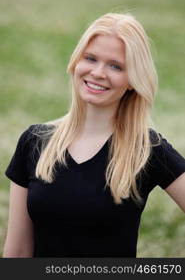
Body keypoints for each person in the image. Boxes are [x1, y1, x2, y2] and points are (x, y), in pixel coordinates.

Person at [3, 13, 185, 258]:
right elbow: (18, 251)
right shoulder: (34, 141)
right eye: (90, 58)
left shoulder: (147, 149)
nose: (98, 72)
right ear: (76, 62)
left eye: (115, 66)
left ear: (133, 79)